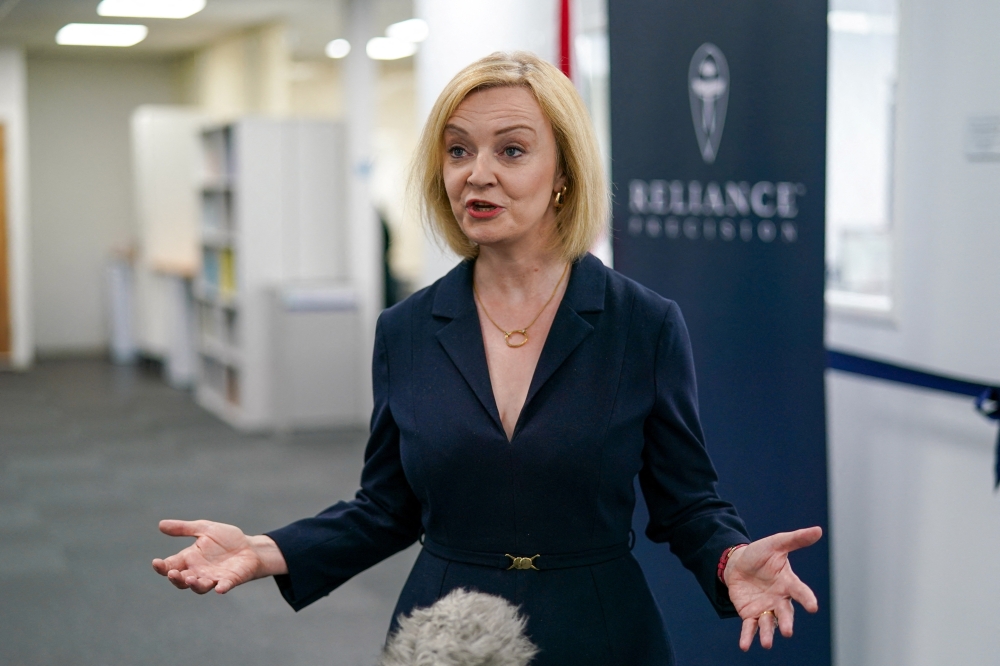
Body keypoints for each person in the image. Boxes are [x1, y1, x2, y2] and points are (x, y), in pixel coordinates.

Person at [153, 51, 822, 665]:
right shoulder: (407, 329)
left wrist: (728, 555)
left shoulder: (642, 325)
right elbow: (386, 508)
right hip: (447, 634)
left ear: (563, 171)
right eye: (458, 151)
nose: (478, 173)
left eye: (511, 150)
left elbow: (686, 503)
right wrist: (266, 551)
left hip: (600, 628)